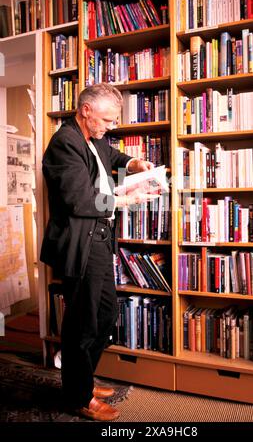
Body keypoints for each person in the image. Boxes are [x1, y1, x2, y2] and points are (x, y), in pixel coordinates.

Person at [40, 83, 156, 421]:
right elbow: (78, 198)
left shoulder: (95, 139)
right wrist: (124, 200)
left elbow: (113, 157)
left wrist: (134, 163)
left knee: (105, 316)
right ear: (86, 110)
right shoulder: (65, 142)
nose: (111, 126)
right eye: (107, 119)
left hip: (101, 240)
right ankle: (78, 395)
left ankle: (82, 379)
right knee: (82, 323)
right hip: (81, 243)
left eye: (113, 120)